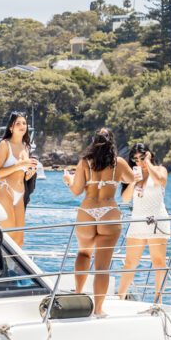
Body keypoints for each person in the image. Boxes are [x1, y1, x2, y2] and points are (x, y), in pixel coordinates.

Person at [63, 128, 134, 317]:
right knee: (102, 266)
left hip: (87, 211)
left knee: (84, 254)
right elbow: (132, 179)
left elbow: (76, 191)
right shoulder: (118, 163)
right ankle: (98, 309)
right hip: (109, 212)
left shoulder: (85, 162)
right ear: (112, 143)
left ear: (93, 142)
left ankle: (78, 294)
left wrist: (69, 180)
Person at [117, 143, 170, 301]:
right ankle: (120, 297)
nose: (138, 161)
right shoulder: (132, 174)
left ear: (149, 154)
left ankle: (157, 299)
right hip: (138, 221)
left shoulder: (160, 169)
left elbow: (161, 181)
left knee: (159, 261)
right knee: (130, 262)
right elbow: (125, 199)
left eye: (142, 157)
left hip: (157, 220)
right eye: (135, 159)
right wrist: (133, 181)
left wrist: (148, 164)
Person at [0, 111, 38, 247]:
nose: (22, 125)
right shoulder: (4, 144)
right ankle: (1, 266)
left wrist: (30, 172)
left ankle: (12, 268)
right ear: (11, 127)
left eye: (24, 123)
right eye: (18, 123)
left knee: (19, 239)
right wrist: (19, 165)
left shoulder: (25, 146)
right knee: (9, 235)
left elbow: (22, 174)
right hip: (5, 191)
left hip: (20, 193)